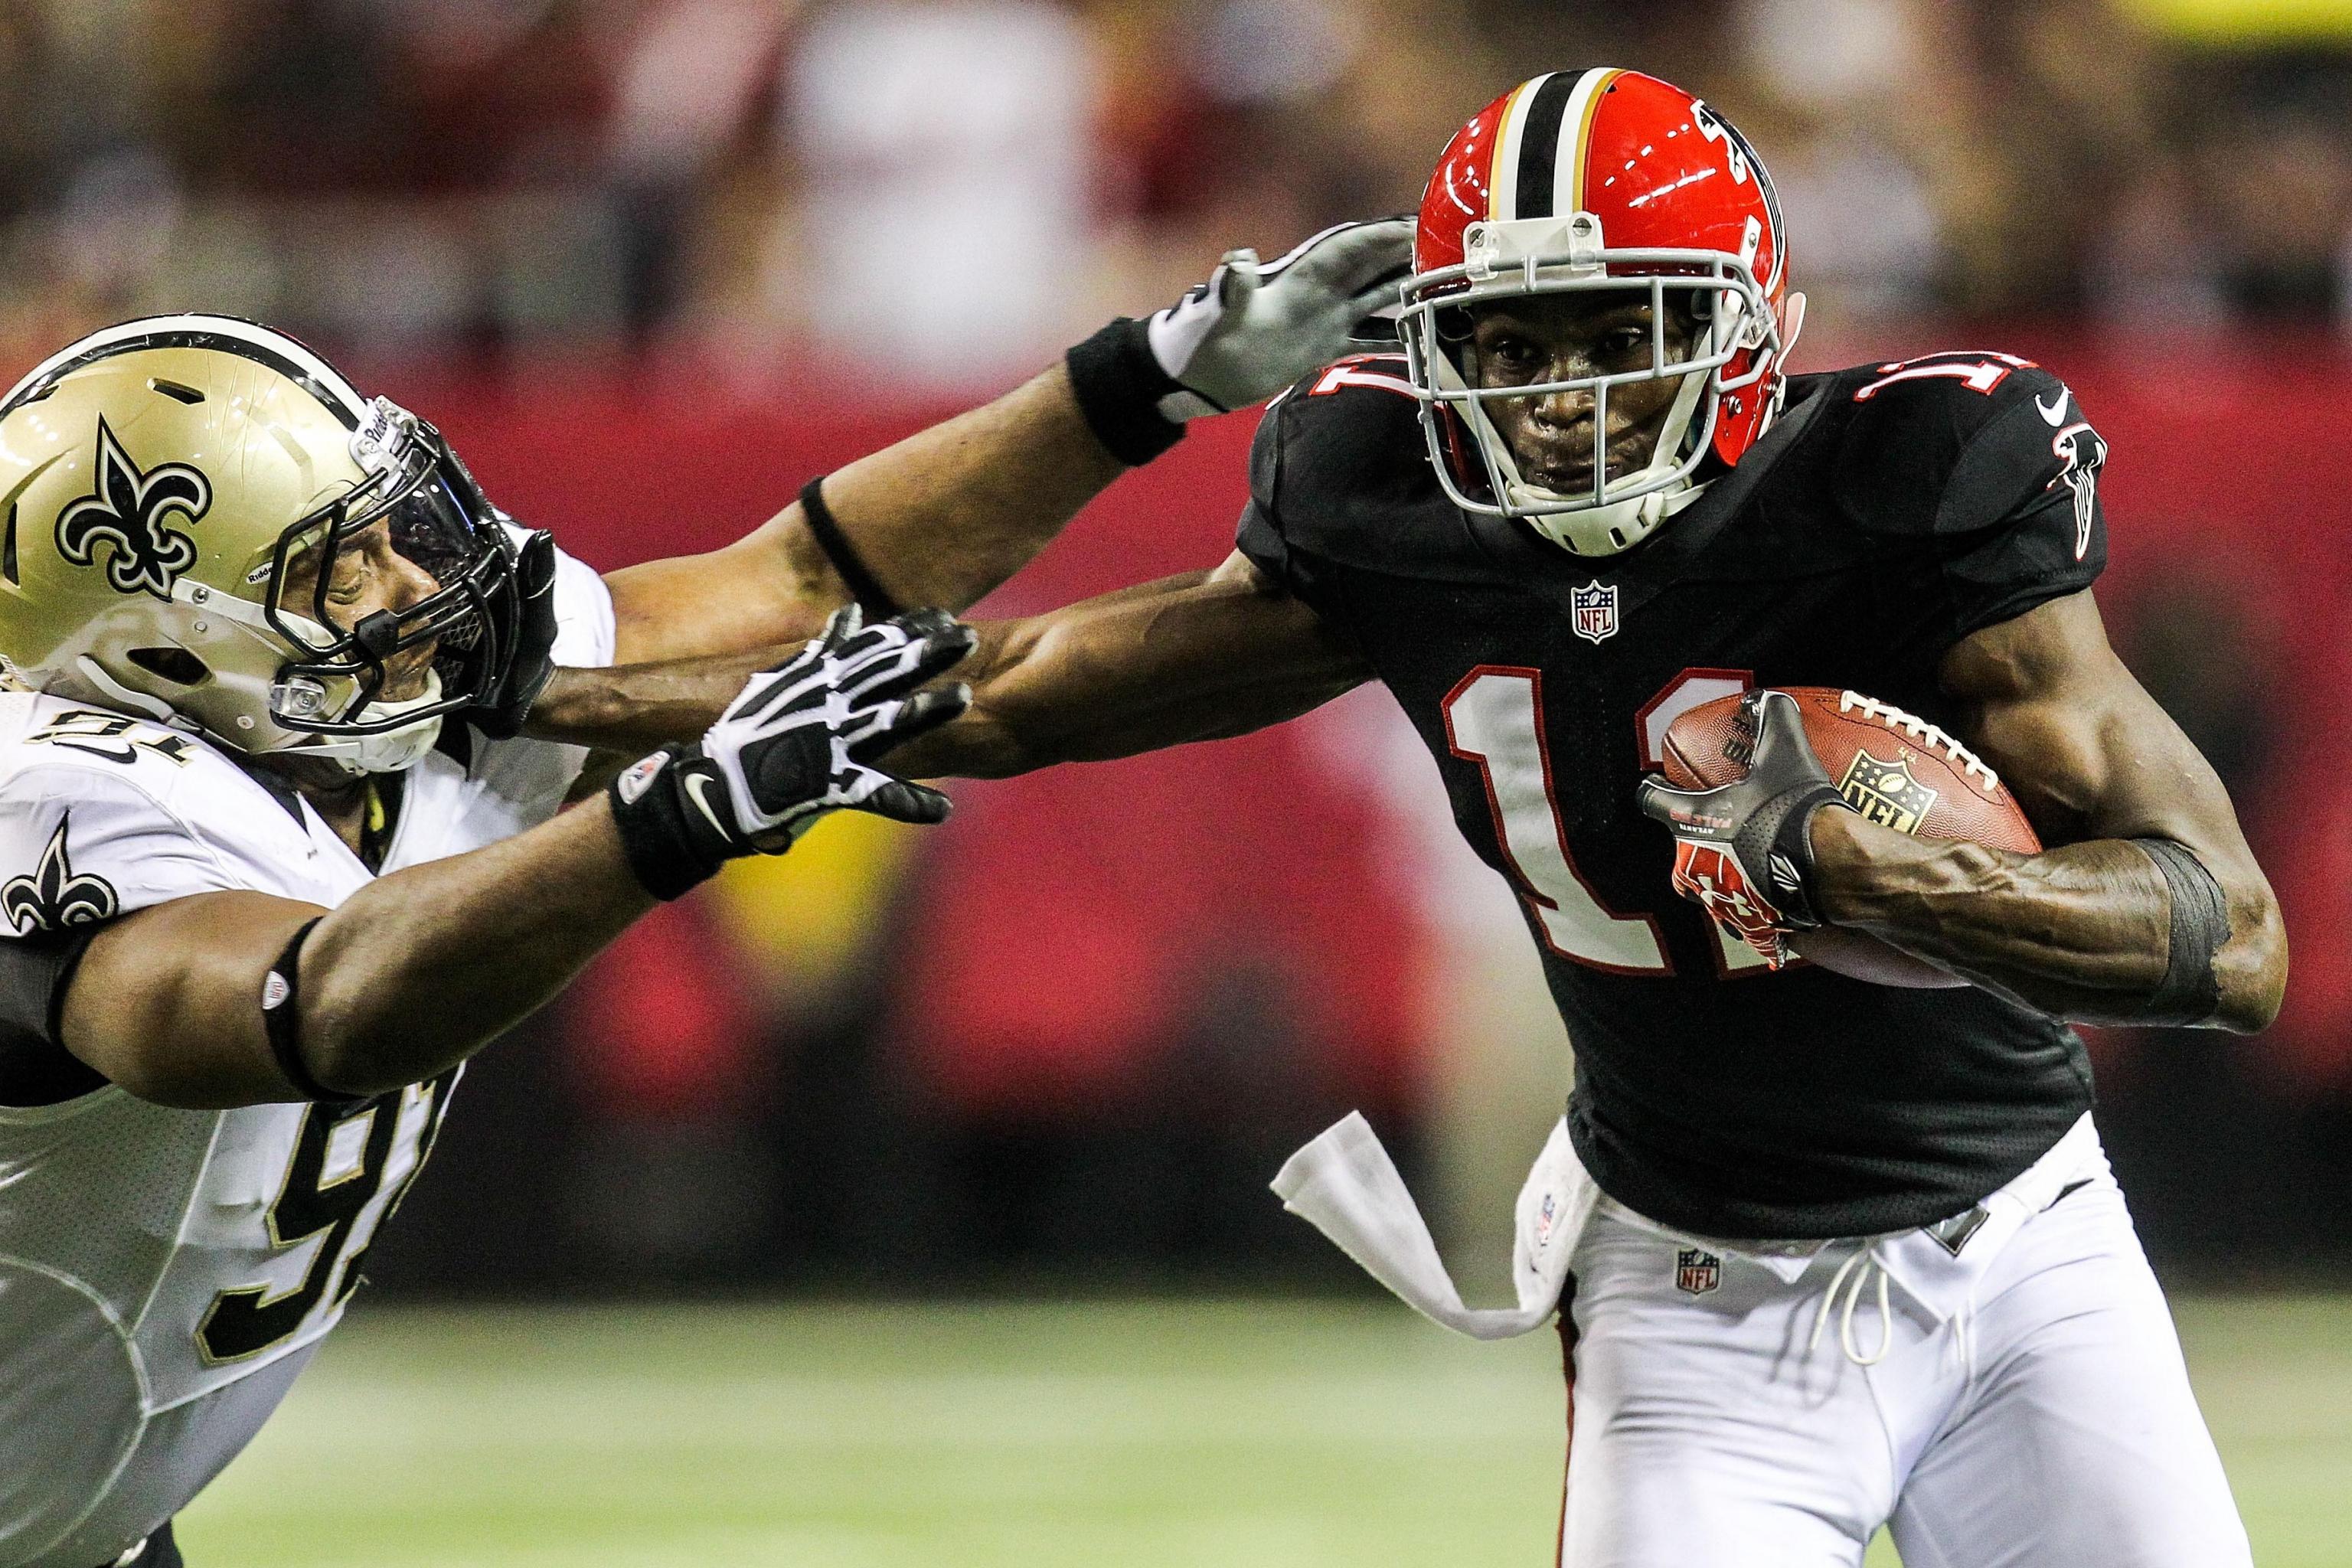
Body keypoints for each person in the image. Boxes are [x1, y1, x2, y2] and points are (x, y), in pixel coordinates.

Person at [877, 71, 2287, 1568]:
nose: (1561, 400)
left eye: (1624, 334)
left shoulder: (1910, 482)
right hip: (1697, 1301)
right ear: (1440, 347)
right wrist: (627, 686)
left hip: (2022, 1246)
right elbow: (1020, 688)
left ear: (1750, 322)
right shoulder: (1390, 504)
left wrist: (1872, 872)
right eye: (1514, 342)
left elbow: (2231, 939)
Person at [0, 217, 1408, 1568]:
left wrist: (1142, 380)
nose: (408, 578)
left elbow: (807, 582)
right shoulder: (62, 799)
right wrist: (675, 818)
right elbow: (318, 1001)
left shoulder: (394, 702)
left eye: (383, 526)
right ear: (160, 657)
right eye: (334, 568)